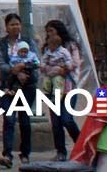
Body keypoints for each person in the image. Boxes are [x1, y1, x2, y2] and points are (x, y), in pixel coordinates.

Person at [0, 13, 36, 169]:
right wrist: (13, 70)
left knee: (24, 120)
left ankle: (25, 153)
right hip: (8, 86)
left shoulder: (28, 42)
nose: (15, 27)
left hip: (26, 86)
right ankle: (7, 154)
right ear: (6, 27)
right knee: (9, 119)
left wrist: (24, 69)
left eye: (17, 24)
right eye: (12, 24)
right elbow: (0, 63)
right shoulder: (2, 44)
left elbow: (35, 61)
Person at [40, 20, 82, 162]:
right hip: (52, 86)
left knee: (67, 119)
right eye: (48, 32)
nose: (49, 34)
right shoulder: (48, 48)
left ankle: (81, 146)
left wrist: (64, 68)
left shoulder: (70, 46)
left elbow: (75, 62)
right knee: (56, 121)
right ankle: (61, 151)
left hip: (68, 85)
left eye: (52, 31)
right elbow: (43, 64)